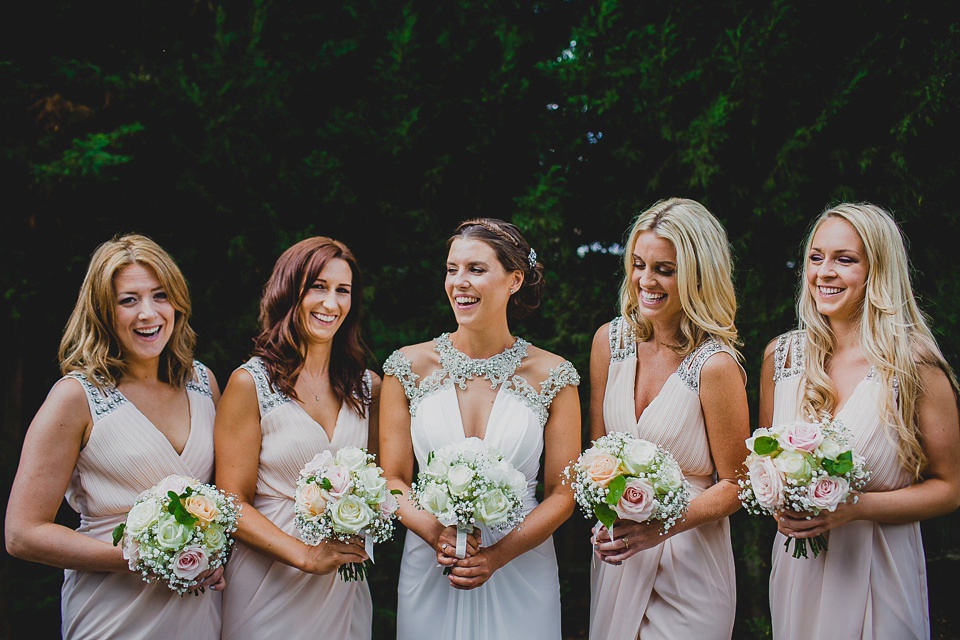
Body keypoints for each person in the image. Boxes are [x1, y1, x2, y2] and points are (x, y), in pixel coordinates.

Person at [5, 234, 223, 639]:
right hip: (113, 613)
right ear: (103, 311)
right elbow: (23, 534)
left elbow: (230, 498)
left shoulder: (202, 382)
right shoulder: (76, 397)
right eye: (128, 300)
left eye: (160, 296)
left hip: (199, 611)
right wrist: (145, 558)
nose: (147, 313)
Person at [760, 202, 960, 639]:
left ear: (878, 271)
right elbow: (763, 465)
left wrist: (854, 508)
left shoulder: (914, 364)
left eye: (844, 260)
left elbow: (949, 488)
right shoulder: (782, 357)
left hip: (880, 566)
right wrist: (782, 504)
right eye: (816, 257)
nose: (824, 272)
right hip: (799, 571)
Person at [380, 218, 581, 640]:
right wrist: (437, 535)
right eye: (452, 269)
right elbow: (393, 480)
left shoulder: (554, 374)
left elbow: (563, 494)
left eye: (475, 269)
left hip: (521, 566)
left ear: (514, 280)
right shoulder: (407, 367)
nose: (459, 283)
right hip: (433, 565)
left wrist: (496, 556)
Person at [588, 198, 749, 640]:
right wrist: (605, 519)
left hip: (690, 563)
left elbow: (738, 485)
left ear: (698, 275)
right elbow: (595, 460)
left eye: (665, 269)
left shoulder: (715, 365)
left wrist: (659, 527)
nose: (646, 280)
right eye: (639, 264)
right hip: (620, 554)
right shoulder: (609, 342)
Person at [215, 237, 379, 640]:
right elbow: (231, 501)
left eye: (343, 290)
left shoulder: (368, 387)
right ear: (290, 291)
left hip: (343, 586)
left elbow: (384, 486)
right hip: (268, 582)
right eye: (318, 287)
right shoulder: (248, 383)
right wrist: (304, 556)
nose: (331, 303)